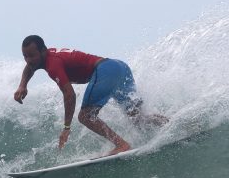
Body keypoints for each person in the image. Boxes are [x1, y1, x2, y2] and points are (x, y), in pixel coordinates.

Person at [14, 35, 168, 155]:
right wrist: (22, 85)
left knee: (85, 116)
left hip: (105, 71)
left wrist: (66, 128)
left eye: (31, 55)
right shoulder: (45, 58)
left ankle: (121, 145)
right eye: (25, 56)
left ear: (43, 51)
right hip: (119, 67)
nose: (28, 60)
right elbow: (30, 68)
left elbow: (69, 95)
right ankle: (172, 123)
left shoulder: (53, 64)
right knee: (138, 118)